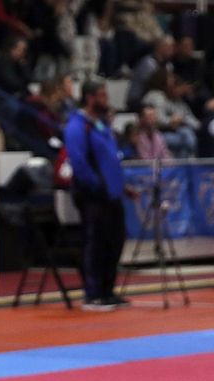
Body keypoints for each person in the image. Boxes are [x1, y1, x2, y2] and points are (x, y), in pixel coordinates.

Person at [65, 79, 137, 311]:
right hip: (93, 195)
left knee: (115, 241)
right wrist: (97, 186)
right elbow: (79, 162)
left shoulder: (101, 125)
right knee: (96, 243)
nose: (106, 100)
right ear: (90, 98)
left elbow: (110, 160)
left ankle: (108, 290)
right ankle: (93, 293)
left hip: (112, 194)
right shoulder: (77, 126)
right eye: (102, 96)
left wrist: (121, 186)